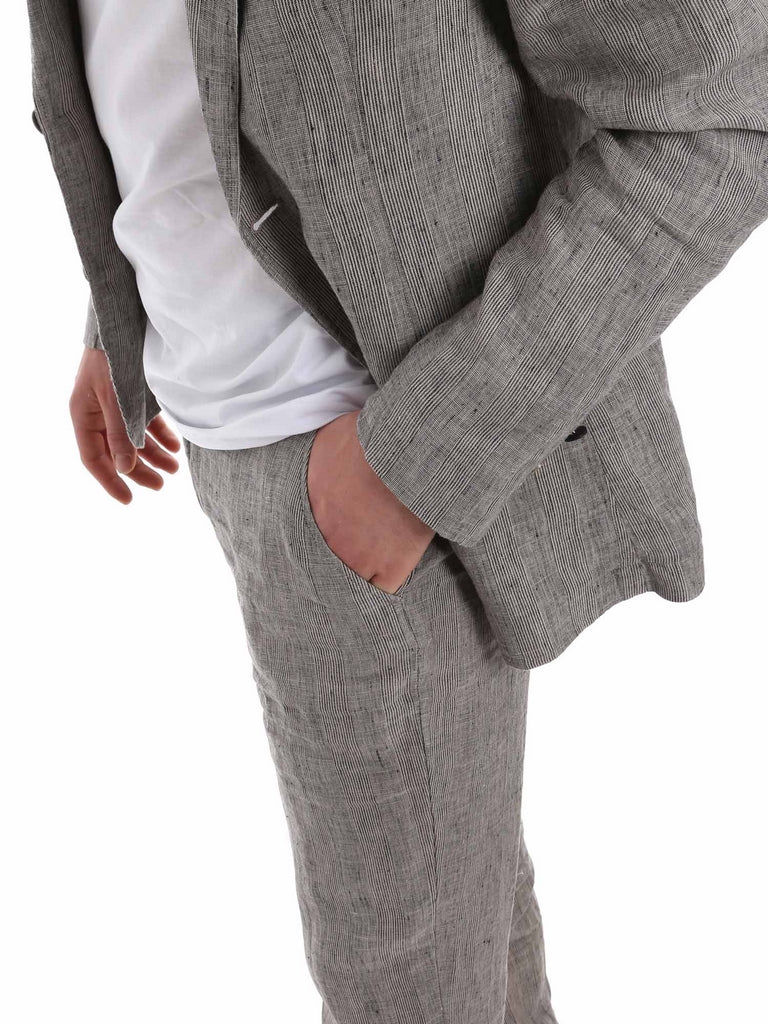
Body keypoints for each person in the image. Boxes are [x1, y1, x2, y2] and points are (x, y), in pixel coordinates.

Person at [27, 0, 767, 1020]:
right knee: (461, 941)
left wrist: (413, 459)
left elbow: (726, 110)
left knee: (403, 981)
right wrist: (120, 303)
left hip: (377, 471)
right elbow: (167, 61)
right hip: (232, 437)